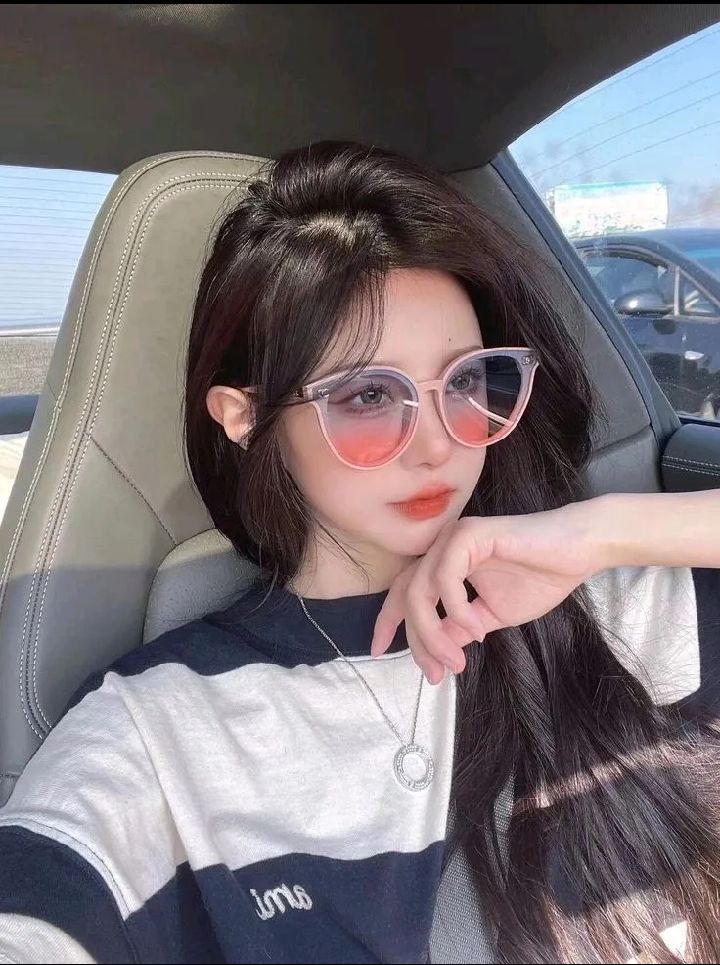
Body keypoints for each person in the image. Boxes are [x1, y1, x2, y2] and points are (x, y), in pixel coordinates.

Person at [0, 140, 719, 965]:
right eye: (370, 395)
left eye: (467, 381)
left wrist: (601, 532)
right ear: (244, 418)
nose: (439, 444)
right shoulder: (156, 729)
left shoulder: (616, 606)